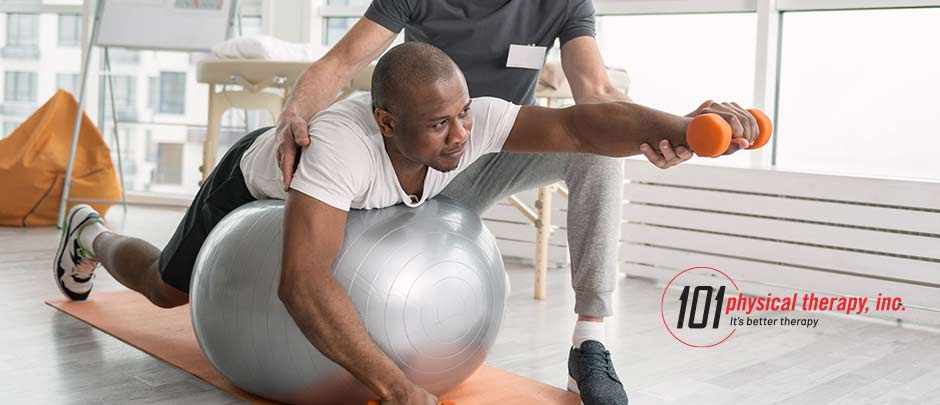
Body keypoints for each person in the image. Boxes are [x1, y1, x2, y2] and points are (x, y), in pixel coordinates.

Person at [54, 43, 758, 405]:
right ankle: (90, 233)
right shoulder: (341, 148)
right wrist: (395, 387)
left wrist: (684, 128)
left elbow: (580, 125)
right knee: (164, 290)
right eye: (438, 124)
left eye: (463, 115)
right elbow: (302, 282)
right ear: (387, 122)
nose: (461, 136)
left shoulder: (469, 124)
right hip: (251, 183)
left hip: (359, 196)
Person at [275, 1, 714, 402]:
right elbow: (341, 62)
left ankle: (589, 342)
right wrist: (293, 115)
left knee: (597, 153)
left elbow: (596, 95)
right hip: (423, 155)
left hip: (498, 139)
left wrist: (672, 130)